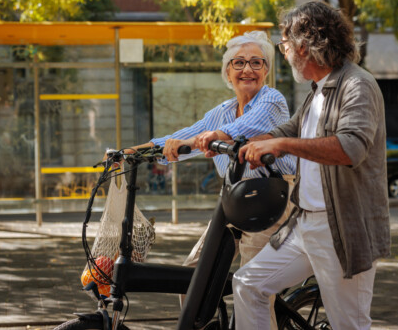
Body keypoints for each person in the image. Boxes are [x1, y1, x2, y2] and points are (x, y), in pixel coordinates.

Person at [197, 2, 389, 330]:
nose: (283, 53)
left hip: (343, 228)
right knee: (248, 284)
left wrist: (279, 145)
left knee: (349, 325)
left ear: (304, 46)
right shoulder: (317, 92)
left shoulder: (358, 86)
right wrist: (228, 133)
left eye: (284, 45)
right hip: (304, 226)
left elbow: (350, 148)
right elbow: (289, 130)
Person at [123, 31, 296, 328]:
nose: (248, 69)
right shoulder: (222, 112)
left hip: (273, 201)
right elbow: (183, 136)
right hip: (237, 200)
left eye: (257, 62)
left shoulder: (273, 100)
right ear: (227, 72)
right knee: (193, 274)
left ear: (266, 70)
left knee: (251, 287)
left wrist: (215, 136)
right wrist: (134, 152)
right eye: (239, 62)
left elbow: (248, 126)